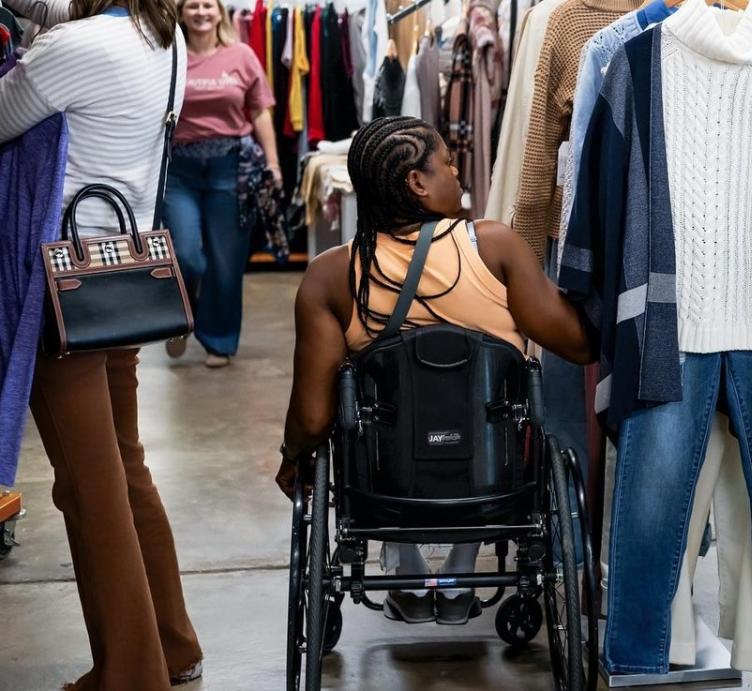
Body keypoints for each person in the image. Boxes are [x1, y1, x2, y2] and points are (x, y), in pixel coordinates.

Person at [277, 116, 593, 624]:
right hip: (494, 485)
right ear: (417, 183)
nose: (457, 172)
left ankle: (406, 561)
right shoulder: (494, 247)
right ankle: (461, 572)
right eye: (447, 162)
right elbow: (578, 345)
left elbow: (313, 418)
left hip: (385, 491)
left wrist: (292, 459)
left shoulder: (332, 277)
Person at [0, 0, 204, 688]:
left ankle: (130, 672)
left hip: (63, 292)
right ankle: (172, 643)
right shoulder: (162, 39)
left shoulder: (73, 48)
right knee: (125, 466)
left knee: (90, 490)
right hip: (120, 277)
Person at [163, 0, 281, 368]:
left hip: (231, 167)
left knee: (226, 263)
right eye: (192, 6)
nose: (200, 12)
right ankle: (184, 315)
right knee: (186, 255)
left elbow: (260, 109)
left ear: (220, 13)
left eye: (208, 5)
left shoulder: (241, 55)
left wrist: (274, 163)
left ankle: (219, 341)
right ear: (181, 13)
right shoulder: (169, 55)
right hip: (180, 168)